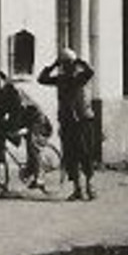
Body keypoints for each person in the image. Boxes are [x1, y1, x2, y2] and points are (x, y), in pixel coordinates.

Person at [38, 46, 98, 201]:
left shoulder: (79, 77)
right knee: (71, 156)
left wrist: (79, 61)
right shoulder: (61, 79)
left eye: (68, 63)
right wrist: (53, 65)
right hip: (67, 122)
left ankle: (90, 187)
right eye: (64, 64)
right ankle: (77, 189)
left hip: (82, 121)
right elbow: (41, 79)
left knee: (85, 154)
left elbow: (91, 71)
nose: (66, 66)